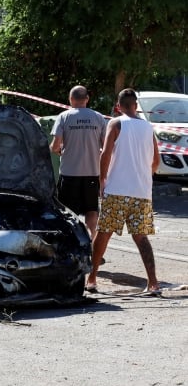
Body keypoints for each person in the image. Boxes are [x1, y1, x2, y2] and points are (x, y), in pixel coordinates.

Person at [85, 88, 160, 295]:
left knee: (103, 235)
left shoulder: (116, 123)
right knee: (141, 237)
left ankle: (91, 279)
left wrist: (102, 181)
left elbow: (105, 154)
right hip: (142, 192)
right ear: (136, 105)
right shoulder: (147, 127)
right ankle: (153, 283)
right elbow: (156, 161)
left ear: (118, 106)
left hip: (117, 190)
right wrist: (145, 175)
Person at [50, 85, 107, 238]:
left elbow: (56, 145)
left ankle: (71, 242)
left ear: (70, 99)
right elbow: (106, 146)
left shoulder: (64, 117)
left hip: (69, 173)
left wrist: (57, 149)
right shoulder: (99, 118)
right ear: (87, 99)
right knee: (92, 210)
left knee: (68, 212)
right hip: (92, 172)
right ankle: (91, 243)